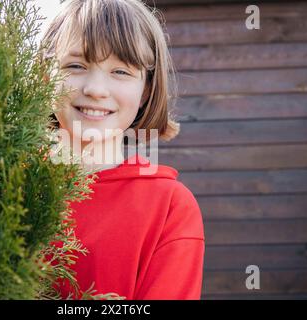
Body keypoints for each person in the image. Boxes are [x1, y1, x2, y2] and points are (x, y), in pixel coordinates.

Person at [40, 0, 205, 300]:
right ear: (44, 75)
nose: (96, 89)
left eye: (121, 71)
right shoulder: (1, 184)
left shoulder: (169, 207)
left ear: (146, 90)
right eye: (75, 65)